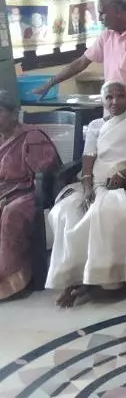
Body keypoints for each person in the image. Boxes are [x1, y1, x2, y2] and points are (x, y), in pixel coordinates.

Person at [46, 81, 126, 307]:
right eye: (109, 97)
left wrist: (125, 171)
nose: (115, 102)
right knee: (64, 212)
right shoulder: (95, 125)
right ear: (103, 101)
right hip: (95, 181)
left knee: (108, 213)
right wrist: (88, 183)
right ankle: (74, 280)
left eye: (120, 96)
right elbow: (88, 155)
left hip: (124, 183)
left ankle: (109, 281)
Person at [33, 0, 126, 110]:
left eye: (101, 13)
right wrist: (51, 82)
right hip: (113, 111)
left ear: (116, 11)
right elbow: (82, 62)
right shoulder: (106, 35)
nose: (99, 18)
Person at [0, 90, 61, 299]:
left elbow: (45, 171)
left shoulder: (31, 136)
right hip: (5, 190)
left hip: (29, 190)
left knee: (11, 213)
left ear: (14, 113)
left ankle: (12, 281)